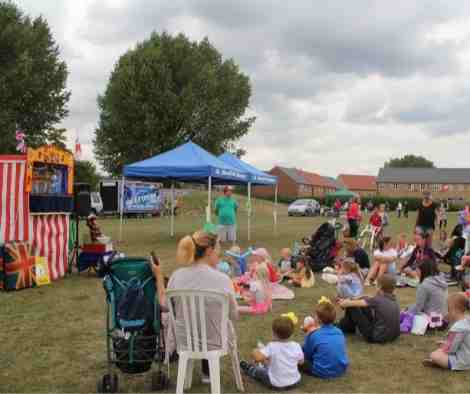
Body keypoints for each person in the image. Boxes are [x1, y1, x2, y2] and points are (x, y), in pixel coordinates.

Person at [166, 229, 239, 384]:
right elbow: (234, 315)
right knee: (218, 324)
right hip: (215, 342)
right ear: (209, 251)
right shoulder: (222, 279)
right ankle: (208, 373)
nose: (219, 253)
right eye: (218, 249)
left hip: (184, 341)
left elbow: (167, 306)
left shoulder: (176, 275)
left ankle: (198, 375)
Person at [240, 316, 304, 389]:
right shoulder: (296, 345)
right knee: (268, 363)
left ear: (274, 334)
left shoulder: (272, 346)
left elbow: (257, 358)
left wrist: (254, 351)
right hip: (295, 382)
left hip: (276, 384)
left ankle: (249, 369)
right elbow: (301, 362)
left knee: (260, 371)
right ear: (292, 333)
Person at [338, 274, 400, 343]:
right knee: (362, 305)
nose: (375, 285)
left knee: (353, 307)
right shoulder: (393, 299)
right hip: (393, 336)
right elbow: (369, 299)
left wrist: (344, 303)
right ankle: (348, 327)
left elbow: (350, 304)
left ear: (379, 287)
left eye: (376, 284)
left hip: (375, 337)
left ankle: (344, 327)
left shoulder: (377, 300)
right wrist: (357, 298)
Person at [301, 298, 349, 378]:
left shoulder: (314, 334)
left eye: (316, 315)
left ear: (319, 319)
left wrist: (308, 334)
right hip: (341, 369)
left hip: (323, 371)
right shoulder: (339, 331)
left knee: (297, 357)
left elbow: (307, 355)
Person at [423, 293, 470, 371]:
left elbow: (450, 350)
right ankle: (438, 362)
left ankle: (438, 362)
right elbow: (461, 342)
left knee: (434, 355)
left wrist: (444, 346)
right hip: (466, 354)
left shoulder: (457, 327)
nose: (447, 313)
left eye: (448, 309)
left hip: (463, 361)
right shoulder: (467, 321)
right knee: (439, 351)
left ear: (454, 309)